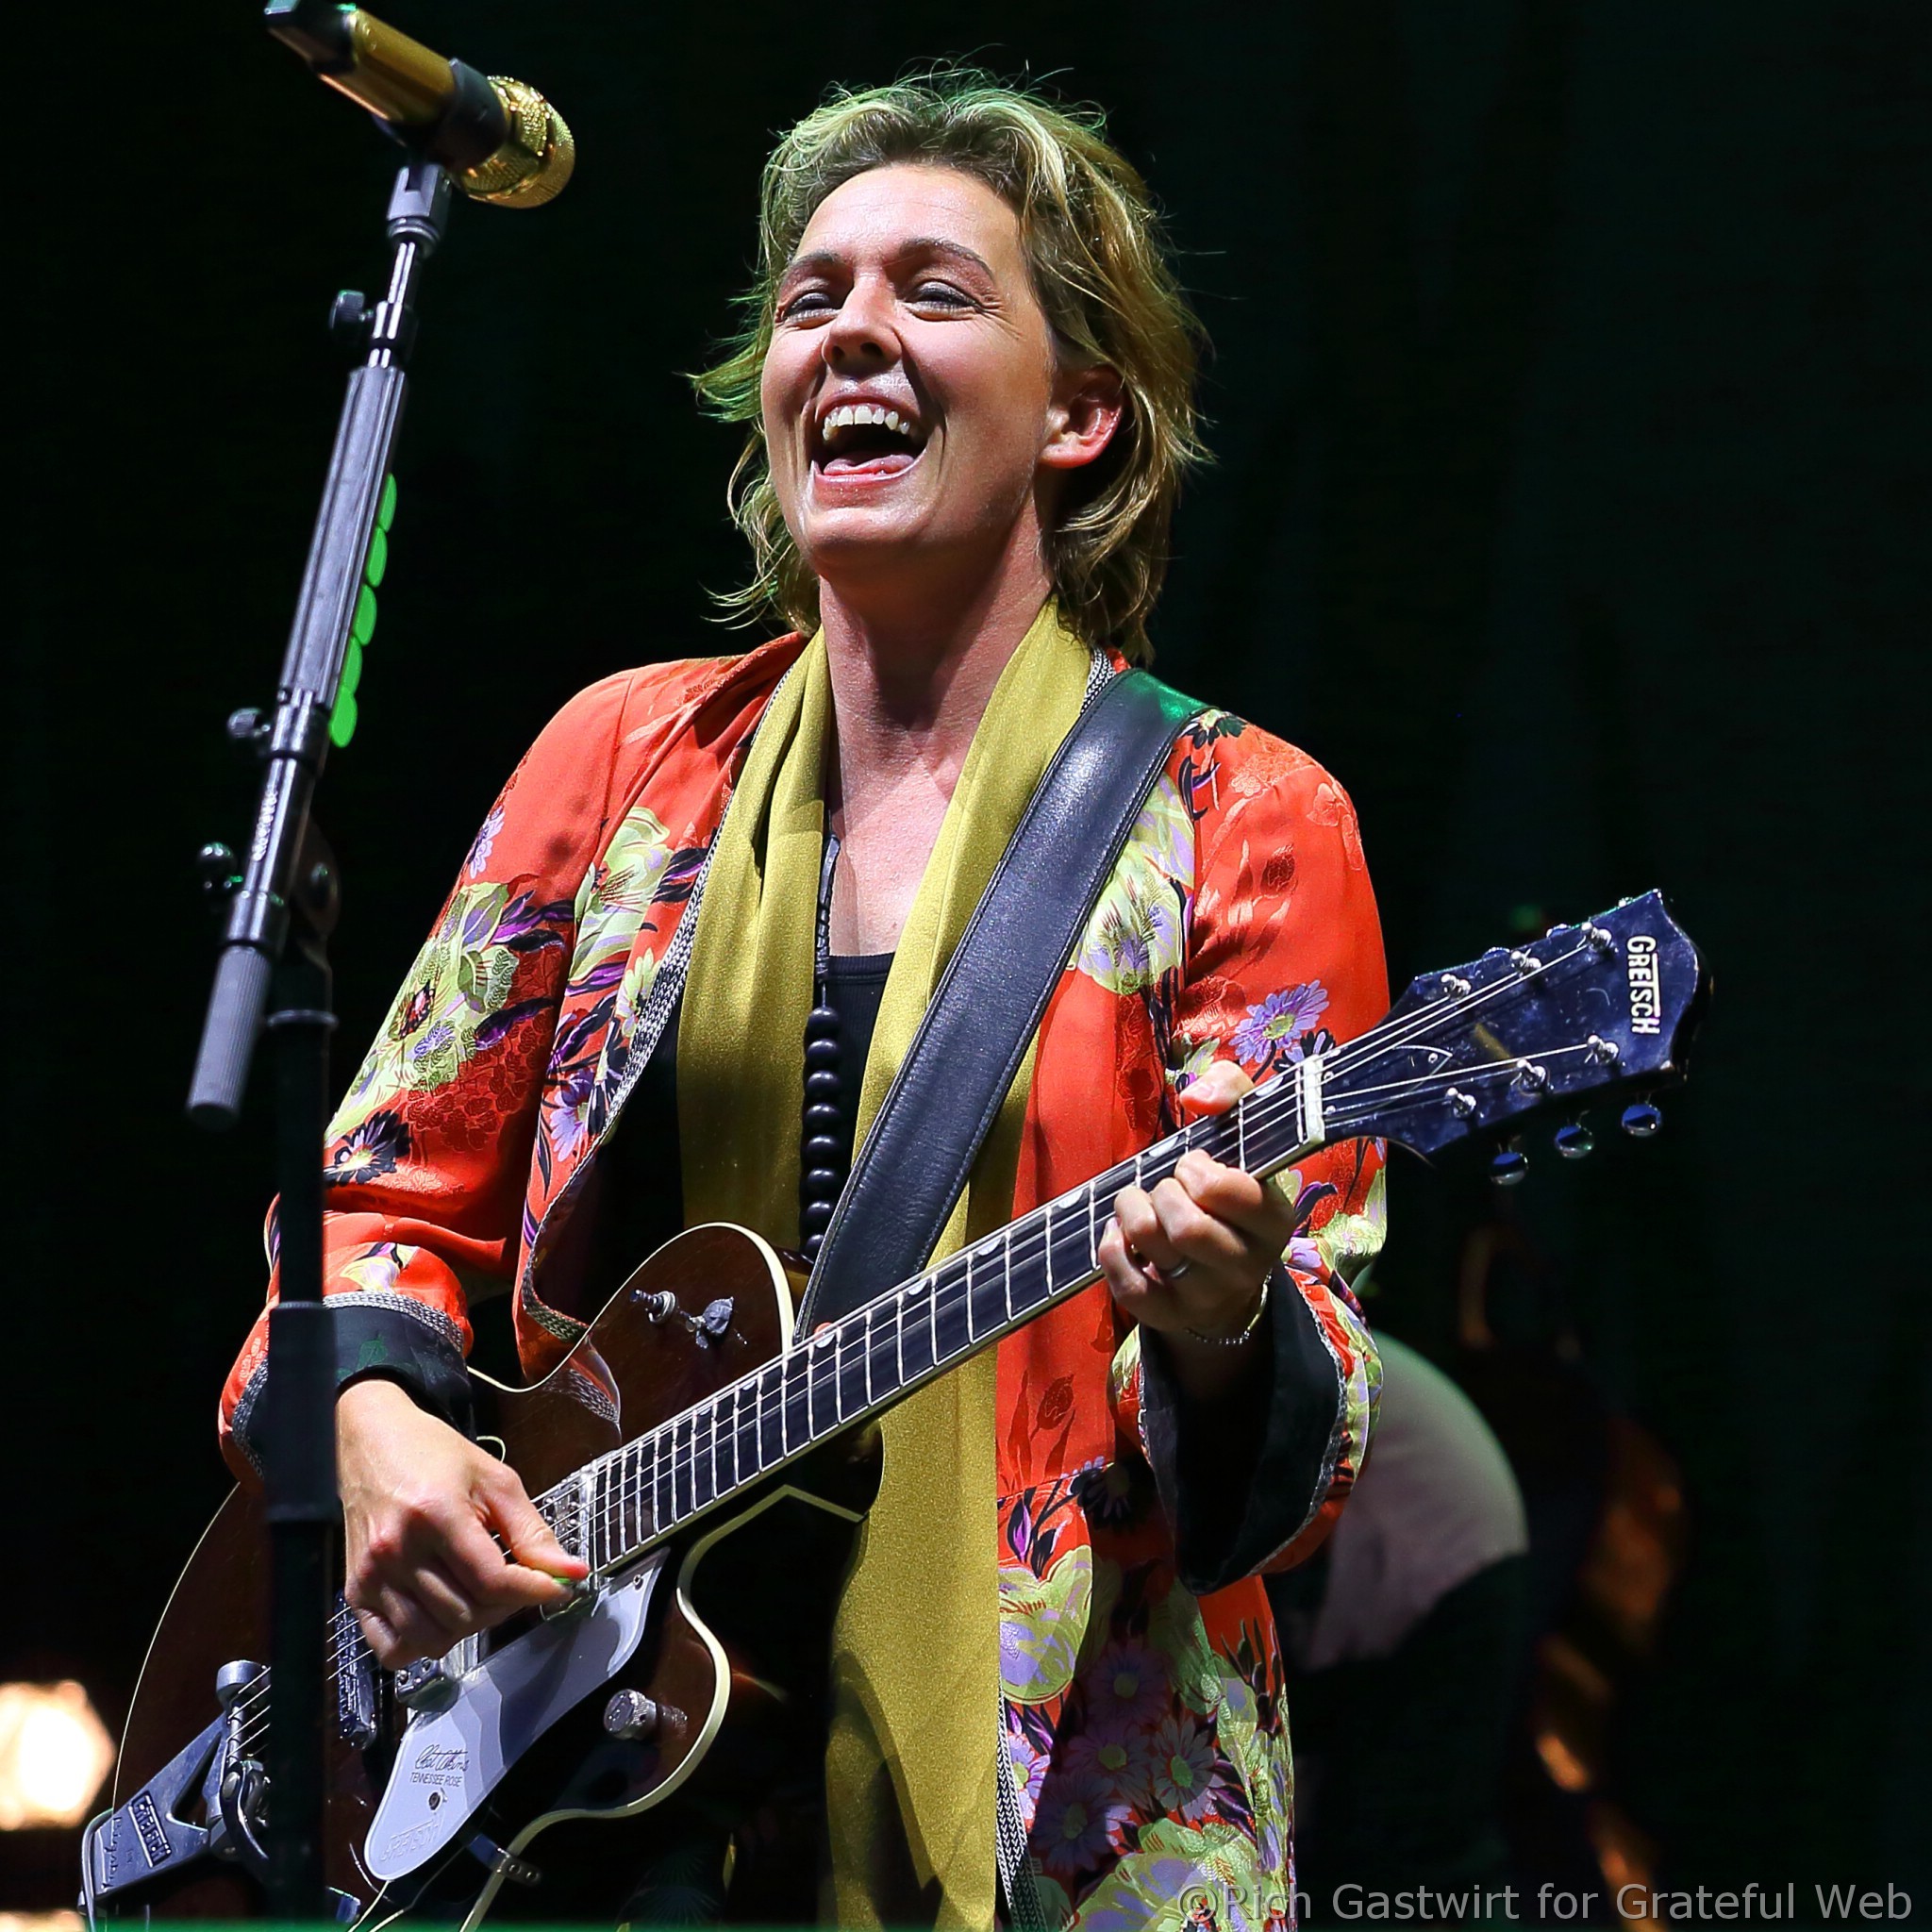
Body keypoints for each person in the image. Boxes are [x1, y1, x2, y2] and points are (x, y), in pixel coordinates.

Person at [219, 73, 1387, 1930]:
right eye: (808, 298)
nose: (850, 328)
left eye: (932, 289)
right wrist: (374, 1425)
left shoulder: (1235, 820)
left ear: (1082, 411)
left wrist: (1226, 1320)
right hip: (597, 1799)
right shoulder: (623, 766)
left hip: (1066, 1823)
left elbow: (1294, 1448)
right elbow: (376, 1195)